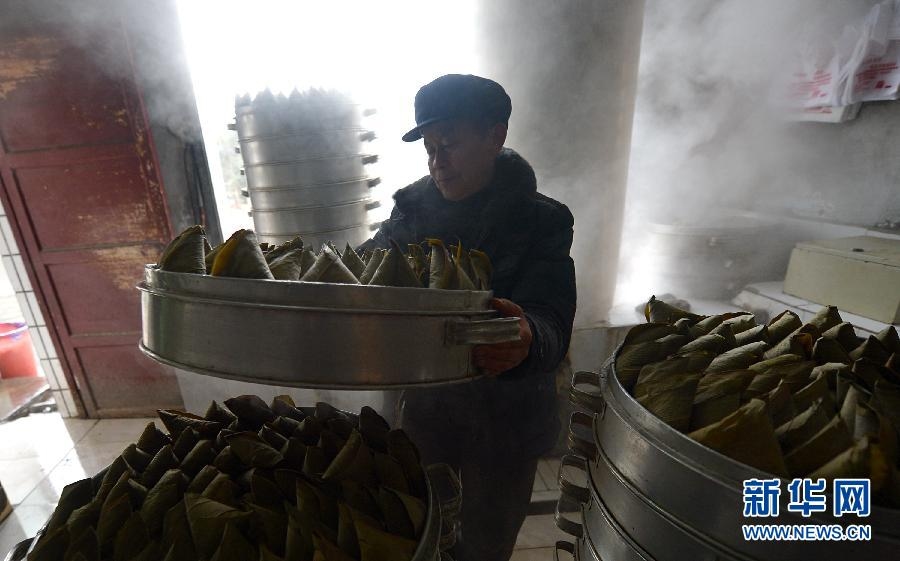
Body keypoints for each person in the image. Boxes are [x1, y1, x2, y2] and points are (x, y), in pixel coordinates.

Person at [358, 74, 576, 561]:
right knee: (419, 527)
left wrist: (527, 338)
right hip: (427, 411)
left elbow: (551, 317)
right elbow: (363, 273)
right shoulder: (409, 216)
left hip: (507, 420)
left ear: (495, 137)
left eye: (450, 144)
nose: (437, 161)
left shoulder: (542, 221)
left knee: (482, 542)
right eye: (430, 148)